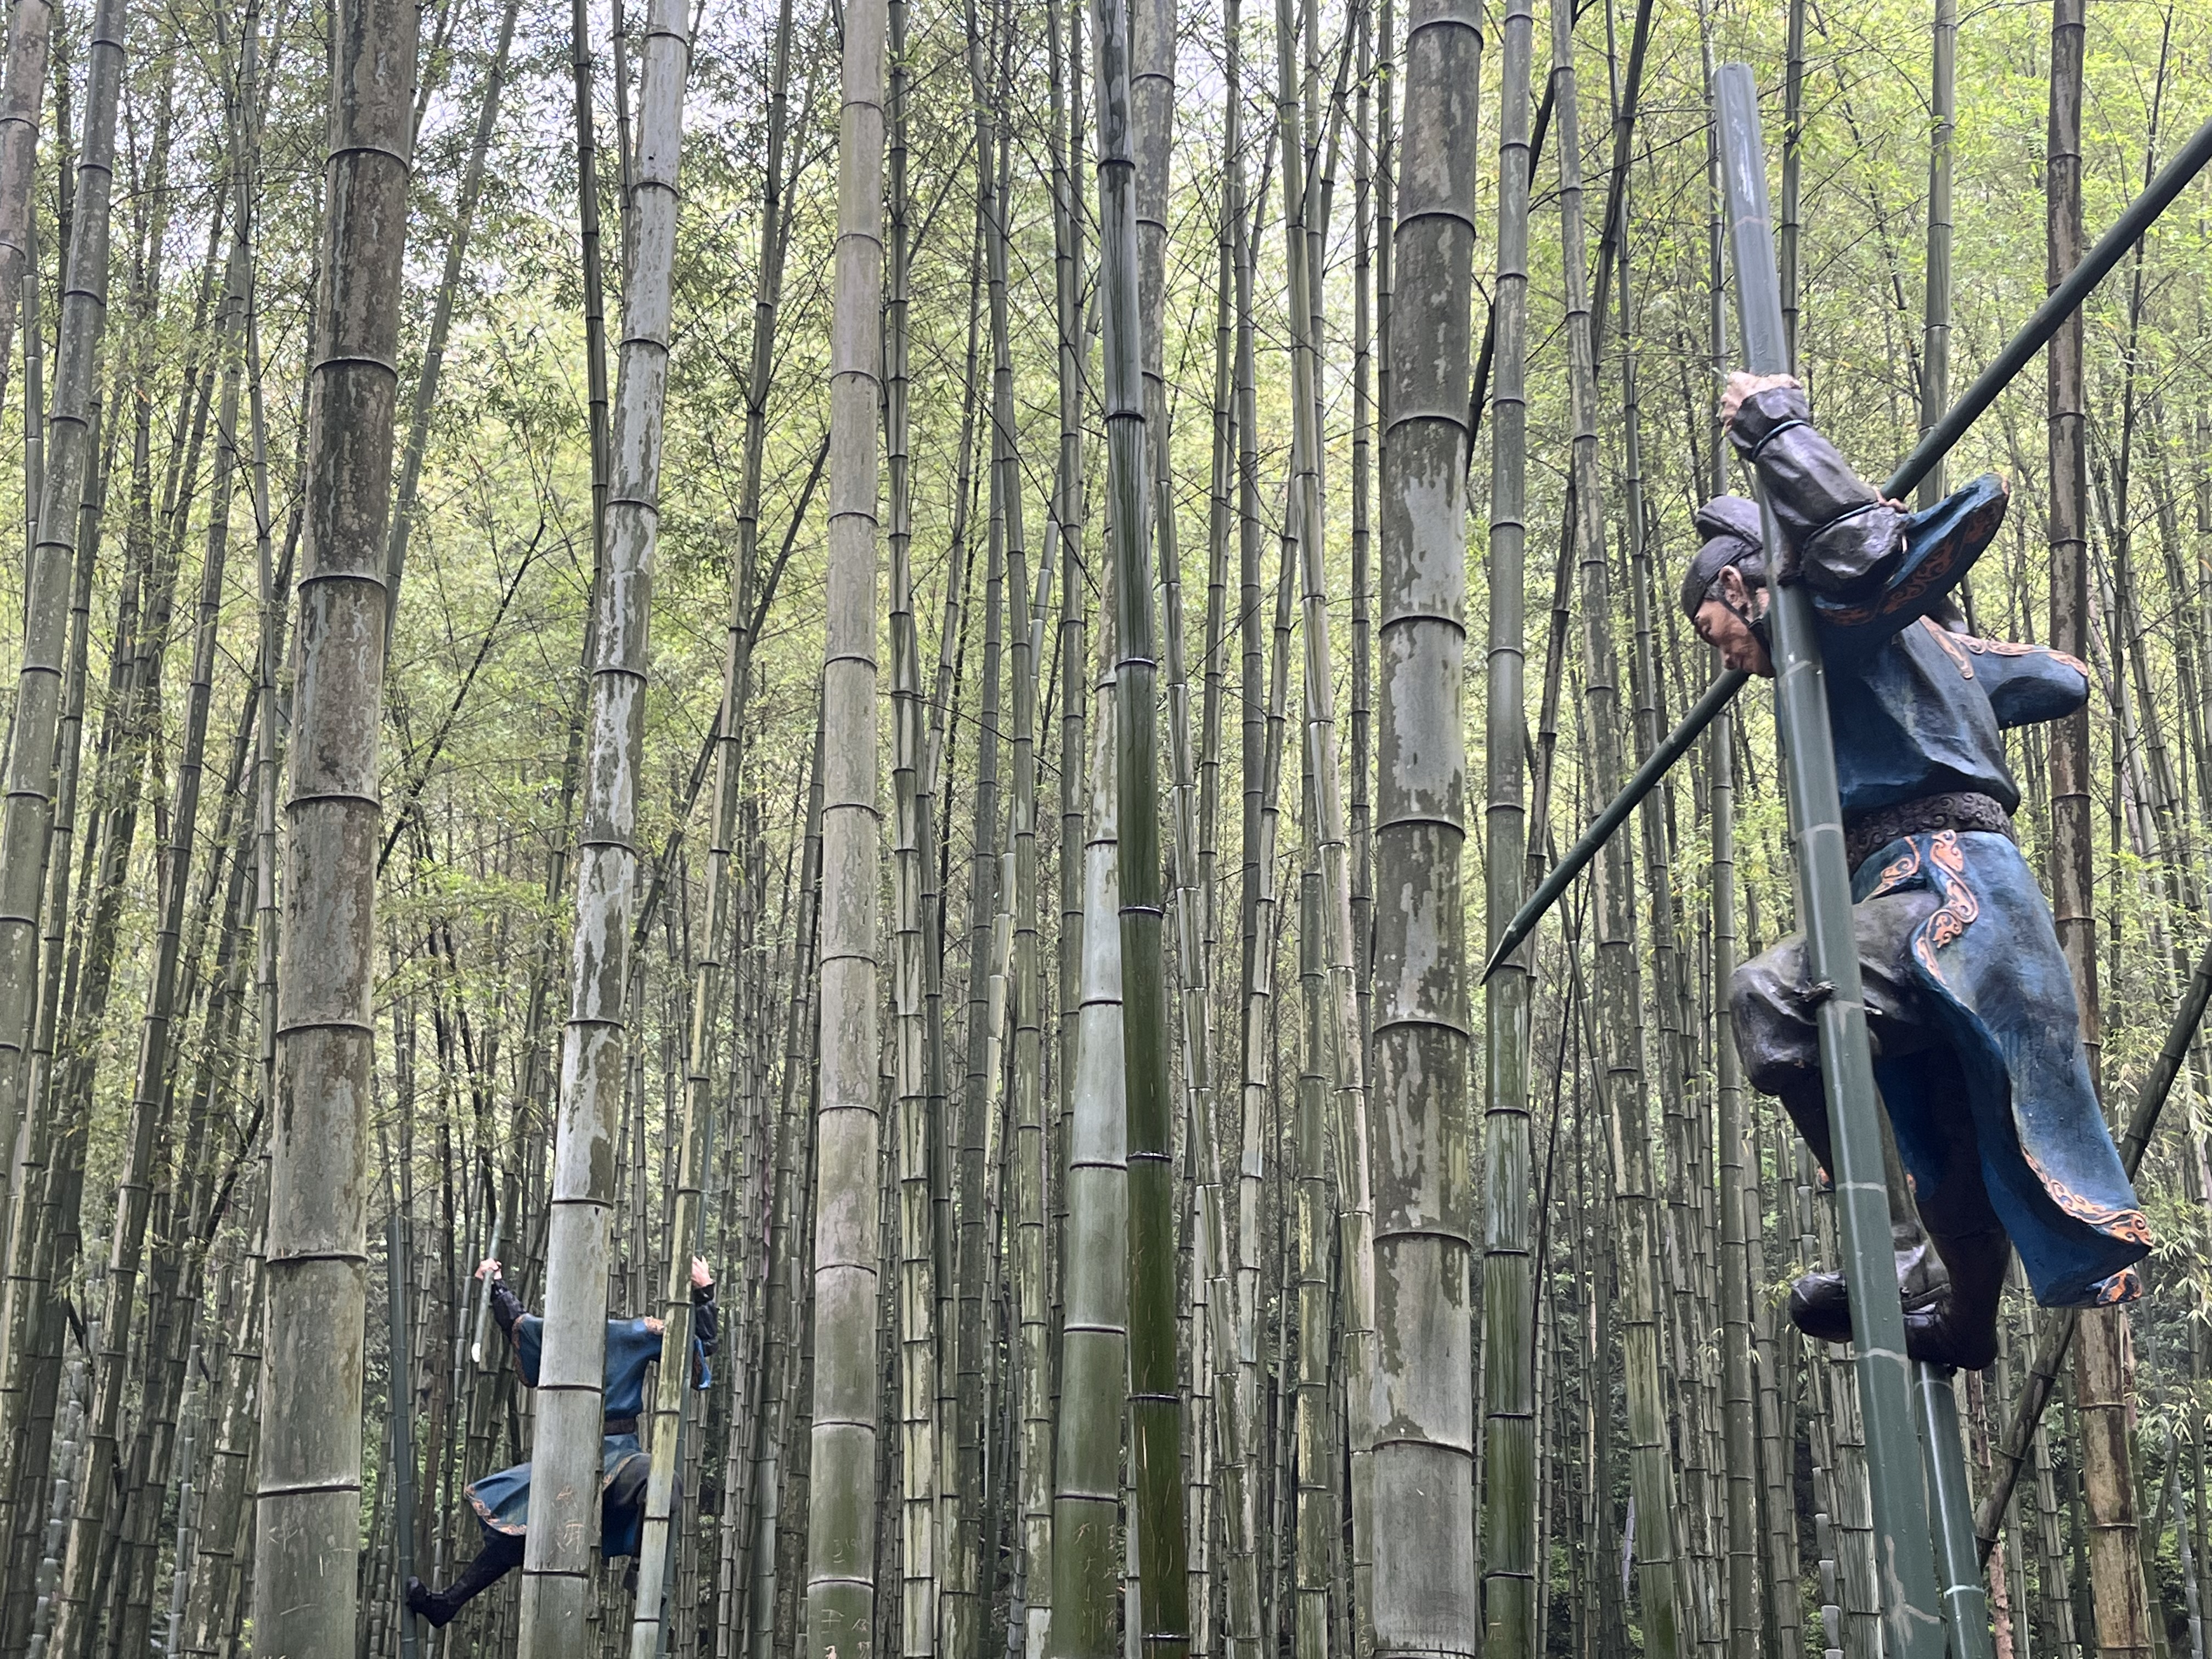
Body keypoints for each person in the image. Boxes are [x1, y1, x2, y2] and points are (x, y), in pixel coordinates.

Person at [1685, 370, 2151, 1371]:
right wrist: (1944, 645)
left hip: (1943, 888)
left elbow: (1861, 550)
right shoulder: (1910, 641)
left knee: (1768, 994)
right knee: (1941, 1132)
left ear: (1741, 586)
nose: (1723, 658)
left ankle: (1892, 1255)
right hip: (1965, 897)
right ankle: (1963, 1321)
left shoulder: (1831, 623)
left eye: (1714, 631)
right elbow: (2059, 678)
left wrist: (1775, 430)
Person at [403, 1255, 718, 1628]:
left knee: (663, 1480)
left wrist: (704, 1293)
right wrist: (495, 1284)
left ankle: (642, 1572)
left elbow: (698, 1345)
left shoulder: (636, 1332)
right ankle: (448, 1603)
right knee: (515, 1536)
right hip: (568, 1454)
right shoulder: (558, 1331)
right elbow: (519, 1323)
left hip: (619, 1455)